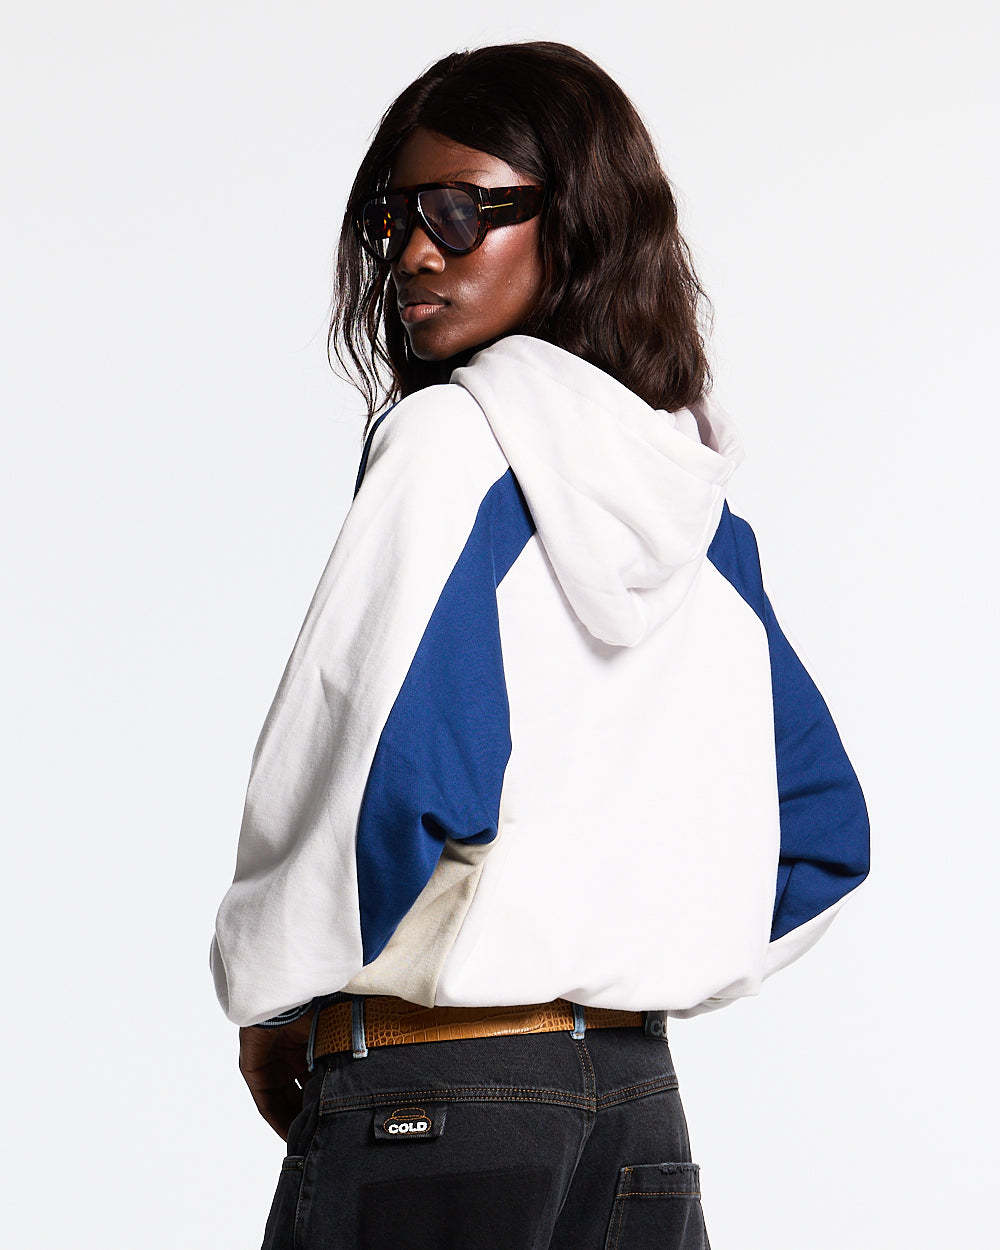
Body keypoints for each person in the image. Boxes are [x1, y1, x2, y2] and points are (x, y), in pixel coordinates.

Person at [209, 40, 870, 1250]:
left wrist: (270, 993)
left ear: (575, 223)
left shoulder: (449, 446)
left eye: (461, 211)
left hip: (434, 1096)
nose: (415, 251)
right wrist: (631, 935)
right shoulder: (696, 513)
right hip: (635, 1106)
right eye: (396, 217)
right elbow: (821, 831)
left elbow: (380, 767)